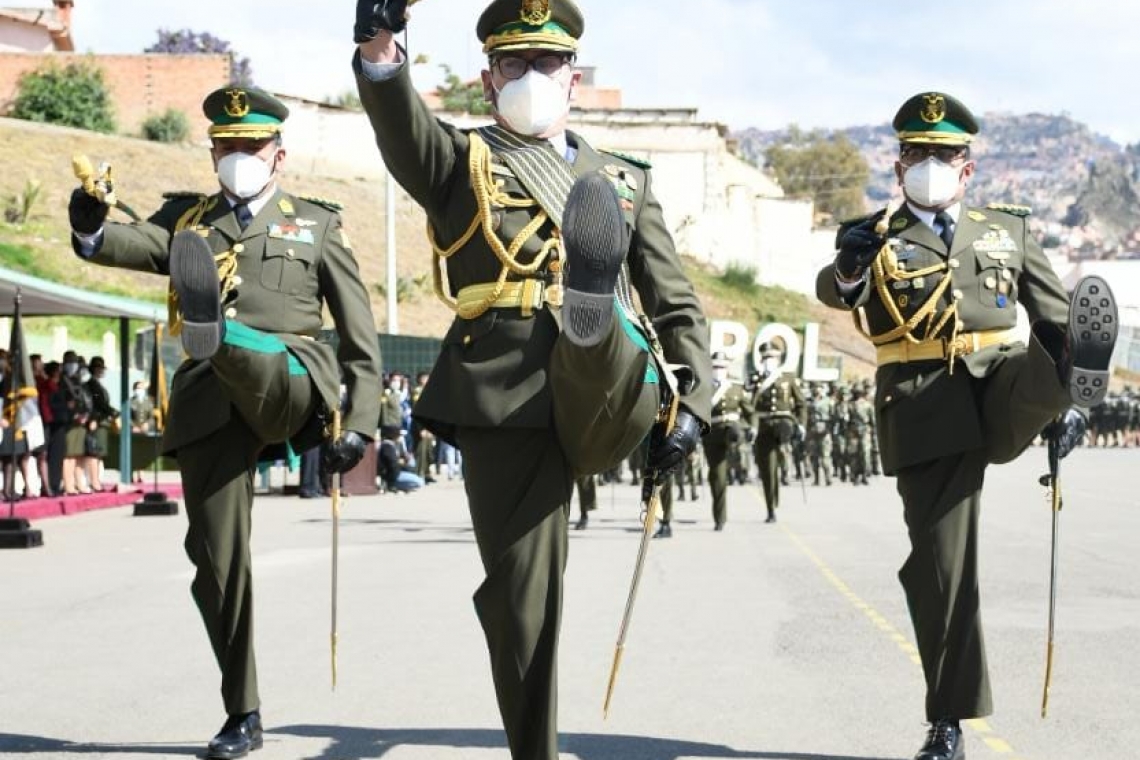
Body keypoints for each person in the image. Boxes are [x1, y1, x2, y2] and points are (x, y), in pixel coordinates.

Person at [352, 1, 712, 757]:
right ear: (488, 81)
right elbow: (401, 127)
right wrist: (381, 45)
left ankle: (589, 309)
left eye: (546, 63)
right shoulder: (459, 162)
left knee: (607, 326)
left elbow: (676, 303)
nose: (530, 76)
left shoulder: (624, 181)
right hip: (506, 390)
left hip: (608, 396)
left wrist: (696, 406)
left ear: (573, 77)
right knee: (523, 596)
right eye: (512, 64)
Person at [67, 86, 382, 759]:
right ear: (214, 152)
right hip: (211, 397)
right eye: (228, 146)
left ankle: (222, 333)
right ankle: (243, 710)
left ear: (280, 155)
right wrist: (89, 224)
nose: (240, 156)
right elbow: (122, 243)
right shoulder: (190, 222)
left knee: (254, 355)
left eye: (252, 146)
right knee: (214, 560)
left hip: (292, 379)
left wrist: (358, 421)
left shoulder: (318, 225)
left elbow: (360, 335)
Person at [816, 91, 1117, 760]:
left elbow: (1048, 303)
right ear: (898, 166)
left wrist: (1070, 405)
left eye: (945, 155)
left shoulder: (1003, 231)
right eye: (918, 155)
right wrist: (847, 267)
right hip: (923, 401)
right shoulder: (872, 237)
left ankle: (1068, 383)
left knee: (1054, 339)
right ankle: (949, 717)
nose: (931, 165)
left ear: (968, 167)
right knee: (942, 569)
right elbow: (836, 291)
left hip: (1000, 383)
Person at [750, 342, 805, 524]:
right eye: (766, 358)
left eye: (772, 357)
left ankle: (786, 455)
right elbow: (750, 407)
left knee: (782, 445)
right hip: (764, 427)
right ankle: (770, 507)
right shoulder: (755, 380)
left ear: (778, 359)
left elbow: (801, 404)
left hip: (784, 424)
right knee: (768, 469)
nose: (769, 361)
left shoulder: (788, 378)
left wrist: (802, 424)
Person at [699, 351, 752, 531]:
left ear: (727, 369)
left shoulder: (736, 387)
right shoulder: (703, 388)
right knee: (717, 477)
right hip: (712, 435)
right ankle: (720, 518)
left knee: (735, 431)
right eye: (715, 367)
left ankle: (738, 460)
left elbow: (749, 412)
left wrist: (753, 427)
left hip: (732, 431)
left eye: (722, 367)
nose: (718, 370)